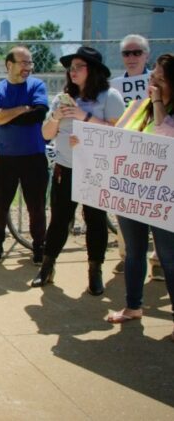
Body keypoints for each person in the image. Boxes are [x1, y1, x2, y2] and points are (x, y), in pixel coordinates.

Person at [31, 46, 125, 295]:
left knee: (95, 221)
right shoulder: (62, 98)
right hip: (66, 167)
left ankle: (95, 272)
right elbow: (45, 134)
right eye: (70, 68)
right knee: (59, 221)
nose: (72, 72)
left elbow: (119, 134)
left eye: (78, 67)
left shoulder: (109, 96)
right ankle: (47, 268)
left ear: (92, 70)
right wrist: (55, 118)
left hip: (95, 170)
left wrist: (84, 119)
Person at [106, 53, 174, 342]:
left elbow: (164, 139)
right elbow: (117, 139)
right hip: (134, 193)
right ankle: (133, 306)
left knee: (169, 258)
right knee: (134, 252)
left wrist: (158, 103)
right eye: (152, 77)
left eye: (159, 79)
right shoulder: (138, 108)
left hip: (164, 198)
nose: (153, 82)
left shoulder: (159, 108)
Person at [0, 46, 49, 265]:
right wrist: (24, 107)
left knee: (36, 206)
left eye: (30, 63)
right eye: (23, 62)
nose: (27, 67)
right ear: (9, 65)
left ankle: (39, 247)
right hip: (4, 158)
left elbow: (39, 114)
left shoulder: (37, 85)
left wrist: (7, 114)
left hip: (34, 156)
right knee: (0, 205)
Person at [111, 35, 163, 280]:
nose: (131, 57)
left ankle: (158, 259)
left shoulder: (161, 82)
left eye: (137, 52)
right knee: (127, 209)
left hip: (158, 157)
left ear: (147, 55)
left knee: (159, 210)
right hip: (127, 156)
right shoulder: (114, 86)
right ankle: (127, 256)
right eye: (126, 53)